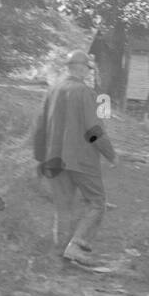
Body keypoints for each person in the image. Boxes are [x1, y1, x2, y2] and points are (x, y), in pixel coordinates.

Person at [32, 50, 117, 267]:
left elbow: (40, 126)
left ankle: (60, 255)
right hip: (81, 159)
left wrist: (40, 157)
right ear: (81, 69)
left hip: (54, 159)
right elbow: (93, 129)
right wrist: (110, 153)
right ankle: (77, 245)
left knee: (63, 207)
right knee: (97, 202)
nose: (87, 73)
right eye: (87, 69)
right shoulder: (85, 93)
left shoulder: (53, 90)